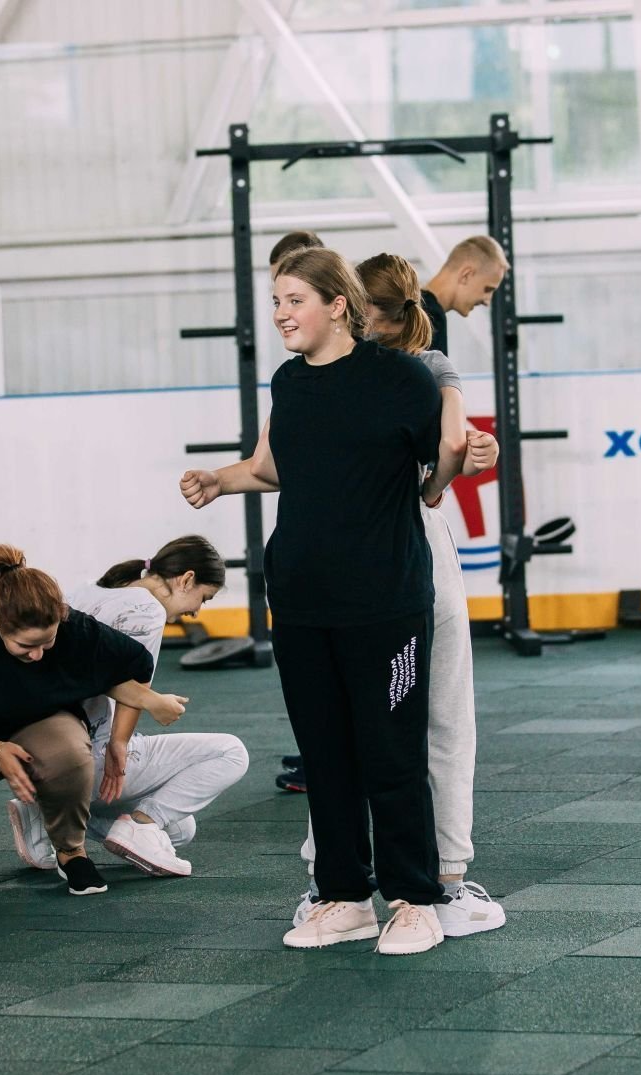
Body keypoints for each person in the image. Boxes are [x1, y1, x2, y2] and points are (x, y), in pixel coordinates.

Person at [180, 247, 448, 956]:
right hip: (301, 600)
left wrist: (464, 457)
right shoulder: (289, 383)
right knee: (325, 757)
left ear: (337, 305)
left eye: (294, 299)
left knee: (391, 756)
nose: (280, 314)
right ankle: (344, 896)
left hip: (385, 602)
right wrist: (221, 480)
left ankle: (415, 900)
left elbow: (438, 463)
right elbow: (274, 468)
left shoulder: (402, 378)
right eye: (276, 301)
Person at [291, 252, 506, 938]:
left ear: (353, 311)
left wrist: (461, 461)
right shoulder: (316, 376)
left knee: (410, 721)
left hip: (406, 556)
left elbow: (457, 447)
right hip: (358, 561)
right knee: (347, 731)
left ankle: (432, 880)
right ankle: (346, 882)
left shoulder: (424, 369)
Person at [0, 545, 188, 898]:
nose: (37, 655)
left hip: (41, 724)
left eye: (47, 643)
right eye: (25, 646)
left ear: (60, 616)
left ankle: (70, 850)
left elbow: (136, 666)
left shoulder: (74, 626)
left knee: (71, 755)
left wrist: (119, 740)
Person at [8, 535, 248, 878]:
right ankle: (137, 823)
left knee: (182, 830)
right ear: (186, 579)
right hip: (84, 759)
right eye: (203, 598)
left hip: (37, 758)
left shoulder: (87, 590)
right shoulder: (147, 610)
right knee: (231, 753)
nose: (196, 611)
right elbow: (133, 688)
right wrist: (119, 745)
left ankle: (47, 810)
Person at [420, 235, 509, 355]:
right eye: (488, 289)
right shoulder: (431, 317)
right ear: (466, 275)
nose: (487, 302)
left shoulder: (413, 308)